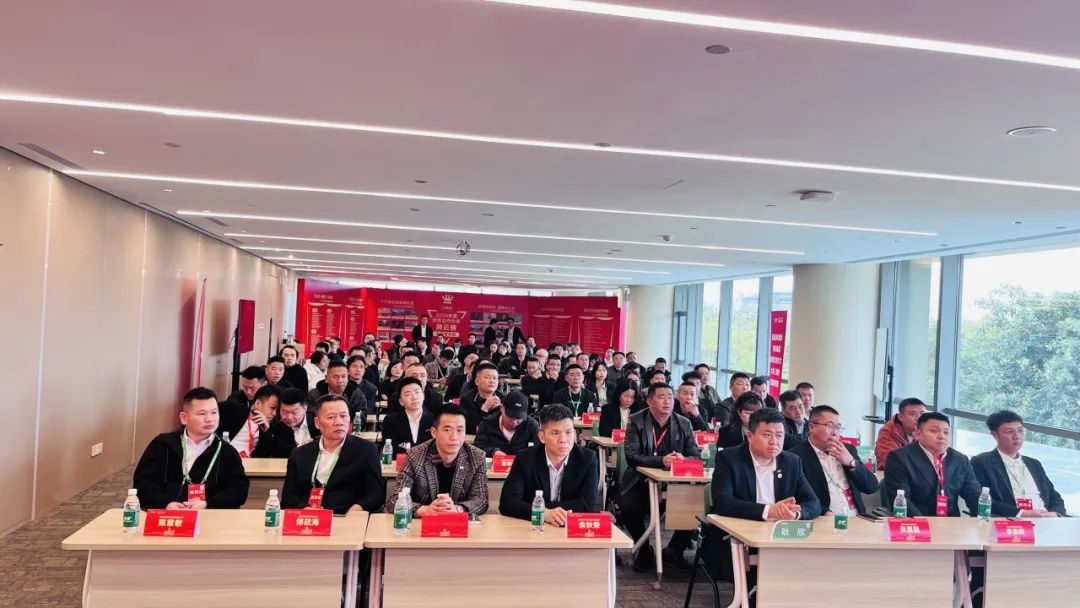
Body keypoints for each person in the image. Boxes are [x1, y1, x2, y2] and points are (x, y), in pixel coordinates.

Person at [620, 383, 700, 573]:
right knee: (627, 505)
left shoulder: (683, 423)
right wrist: (661, 461)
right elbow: (632, 456)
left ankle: (674, 550)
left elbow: (696, 456)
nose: (667, 401)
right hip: (640, 480)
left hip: (675, 482)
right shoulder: (636, 421)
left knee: (694, 506)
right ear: (649, 401)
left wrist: (683, 459)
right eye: (661, 397)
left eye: (670, 396)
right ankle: (644, 548)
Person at [133, 387, 249, 509]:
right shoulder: (163, 444)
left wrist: (207, 504)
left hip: (206, 515)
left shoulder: (226, 451)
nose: (209, 419)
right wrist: (166, 503)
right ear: (184, 418)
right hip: (166, 513)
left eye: (214, 412)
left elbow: (239, 491)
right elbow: (143, 483)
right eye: (202, 413)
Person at [711, 407, 822, 521]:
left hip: (780, 528)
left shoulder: (791, 462)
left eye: (779, 436)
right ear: (750, 436)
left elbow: (814, 503)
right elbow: (722, 502)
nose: (774, 442)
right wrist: (768, 511)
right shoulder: (729, 459)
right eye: (767, 435)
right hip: (742, 526)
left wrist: (795, 514)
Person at [281, 395, 384, 515]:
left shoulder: (366, 450)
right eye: (331, 417)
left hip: (347, 517)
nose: (339, 422)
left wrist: (358, 508)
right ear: (317, 422)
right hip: (309, 518)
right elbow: (288, 497)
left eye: (343, 416)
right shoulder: (300, 454)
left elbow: (376, 493)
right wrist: (305, 510)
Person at [500, 404, 599, 524]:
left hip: (568, 527)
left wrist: (544, 510)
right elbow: (507, 502)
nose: (563, 440)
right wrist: (544, 513)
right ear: (542, 437)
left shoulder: (587, 459)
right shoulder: (525, 458)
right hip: (533, 527)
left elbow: (588, 505)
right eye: (555, 433)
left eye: (568, 432)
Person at [385, 405, 489, 516]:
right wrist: (425, 510)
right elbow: (394, 500)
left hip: (459, 522)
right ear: (434, 432)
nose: (454, 437)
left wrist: (457, 509)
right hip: (422, 522)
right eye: (447, 430)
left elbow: (481, 501)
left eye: (459, 430)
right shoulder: (414, 456)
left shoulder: (477, 457)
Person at [884, 412, 982, 517]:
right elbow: (902, 500)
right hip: (917, 521)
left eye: (946, 432)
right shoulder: (899, 458)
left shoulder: (960, 459)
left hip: (951, 522)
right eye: (934, 431)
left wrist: (985, 519)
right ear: (918, 434)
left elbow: (973, 495)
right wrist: (925, 523)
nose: (941, 436)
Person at [971, 410, 1066, 517]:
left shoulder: (1034, 464)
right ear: (994, 435)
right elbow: (981, 500)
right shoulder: (982, 462)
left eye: (1020, 430)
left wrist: (1056, 514)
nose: (1017, 436)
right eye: (1009, 431)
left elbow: (1055, 497)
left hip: (1045, 519)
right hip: (1012, 520)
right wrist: (1022, 513)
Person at [790, 406, 879, 514]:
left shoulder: (848, 450)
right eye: (829, 426)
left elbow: (871, 487)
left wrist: (851, 463)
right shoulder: (796, 457)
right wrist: (823, 512)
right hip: (824, 519)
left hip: (856, 518)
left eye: (838, 427)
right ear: (811, 427)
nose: (835, 432)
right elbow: (798, 498)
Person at [219, 384, 281, 457]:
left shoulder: (272, 429)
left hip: (250, 463)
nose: (274, 413)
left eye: (277, 410)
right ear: (257, 403)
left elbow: (263, 456)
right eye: (272, 408)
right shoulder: (235, 409)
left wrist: (266, 432)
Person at [474, 392, 541, 456]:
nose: (514, 422)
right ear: (502, 408)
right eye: (510, 416)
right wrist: (493, 452)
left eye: (519, 418)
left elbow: (539, 450)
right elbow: (478, 448)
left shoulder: (532, 426)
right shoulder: (487, 423)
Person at [381, 377, 434, 454]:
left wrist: (407, 447)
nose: (414, 397)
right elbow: (391, 449)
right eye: (408, 394)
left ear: (423, 396)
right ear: (401, 401)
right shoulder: (391, 420)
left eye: (417, 392)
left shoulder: (434, 419)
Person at [262, 388, 319, 458]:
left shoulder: (318, 420)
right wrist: (301, 447)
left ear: (305, 408)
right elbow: (278, 452)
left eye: (294, 412)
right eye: (284, 412)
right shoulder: (277, 428)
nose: (289, 417)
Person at [875, 397, 927, 470]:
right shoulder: (888, 431)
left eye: (922, 414)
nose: (919, 418)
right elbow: (892, 462)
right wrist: (916, 444)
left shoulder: (929, 430)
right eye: (912, 414)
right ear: (901, 417)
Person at [460, 362, 505, 433]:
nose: (492, 381)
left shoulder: (503, 399)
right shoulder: (467, 399)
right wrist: (484, 409)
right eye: (487, 377)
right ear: (477, 381)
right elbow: (469, 427)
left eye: (495, 378)